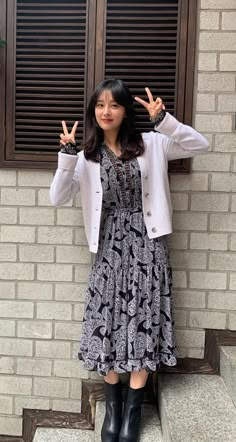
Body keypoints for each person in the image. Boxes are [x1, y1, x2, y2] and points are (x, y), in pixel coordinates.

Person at [50, 78, 208, 442]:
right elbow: (58, 198)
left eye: (114, 105)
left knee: (142, 315)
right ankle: (114, 407)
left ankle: (133, 411)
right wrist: (67, 156)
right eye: (100, 105)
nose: (106, 112)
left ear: (125, 110)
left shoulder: (151, 143)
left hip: (147, 242)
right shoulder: (87, 155)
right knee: (105, 320)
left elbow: (199, 145)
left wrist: (165, 119)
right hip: (108, 245)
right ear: (93, 110)